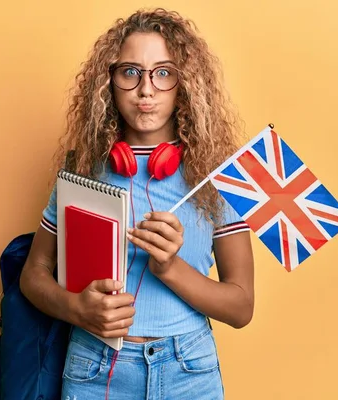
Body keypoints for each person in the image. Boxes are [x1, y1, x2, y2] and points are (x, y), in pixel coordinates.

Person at [20, 8, 255, 400]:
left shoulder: (220, 175)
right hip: (95, 367)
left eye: (163, 73)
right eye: (130, 71)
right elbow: (34, 273)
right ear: (109, 82)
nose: (146, 89)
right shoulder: (83, 168)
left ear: (185, 86)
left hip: (189, 370)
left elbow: (241, 307)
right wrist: (77, 309)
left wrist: (169, 267)